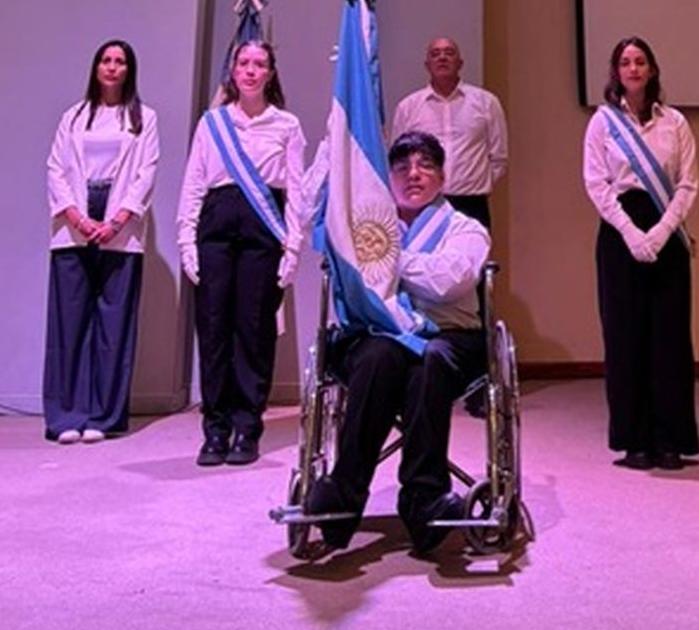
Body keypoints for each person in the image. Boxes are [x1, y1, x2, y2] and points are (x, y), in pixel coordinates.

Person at [305, 131, 490, 554]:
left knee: (431, 359)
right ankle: (343, 495)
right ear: (387, 177)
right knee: (379, 356)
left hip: (448, 336)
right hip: (379, 336)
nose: (413, 174)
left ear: (443, 178)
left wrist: (385, 258)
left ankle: (423, 498)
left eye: (425, 165)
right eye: (402, 167)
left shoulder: (467, 228)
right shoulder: (368, 223)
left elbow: (449, 281)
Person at [176, 40, 305, 467]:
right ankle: (214, 430)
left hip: (262, 230)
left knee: (253, 331)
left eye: (259, 64)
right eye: (243, 63)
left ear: (271, 73)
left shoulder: (285, 124)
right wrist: (185, 240)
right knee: (213, 330)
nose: (250, 71)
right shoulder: (212, 123)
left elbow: (298, 191)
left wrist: (293, 246)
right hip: (215, 226)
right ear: (232, 71)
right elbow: (194, 182)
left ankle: (248, 427)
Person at [582, 36, 699, 471]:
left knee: (669, 338)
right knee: (625, 336)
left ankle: (671, 440)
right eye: (625, 62)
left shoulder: (676, 123)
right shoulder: (602, 123)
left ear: (652, 70)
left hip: (667, 231)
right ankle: (634, 440)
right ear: (616, 72)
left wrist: (662, 232)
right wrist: (633, 235)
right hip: (619, 233)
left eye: (640, 61)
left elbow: (688, 183)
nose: (633, 69)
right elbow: (597, 184)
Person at [44, 39, 160, 444]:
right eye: (106, 61)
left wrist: (117, 220)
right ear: (96, 68)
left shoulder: (144, 119)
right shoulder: (73, 117)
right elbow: (56, 169)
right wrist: (75, 215)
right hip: (75, 216)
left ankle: (102, 416)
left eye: (120, 61)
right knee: (69, 323)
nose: (112, 67)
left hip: (118, 221)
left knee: (113, 323)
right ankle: (65, 416)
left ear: (129, 70)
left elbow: (146, 173)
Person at [390, 38, 508, 227]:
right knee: (422, 256)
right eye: (435, 54)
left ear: (460, 63)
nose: (442, 58)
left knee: (473, 256)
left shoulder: (486, 103)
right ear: (427, 65)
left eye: (449, 53)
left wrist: (474, 183)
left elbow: (498, 159)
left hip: (472, 204)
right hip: (424, 204)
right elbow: (398, 160)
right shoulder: (408, 107)